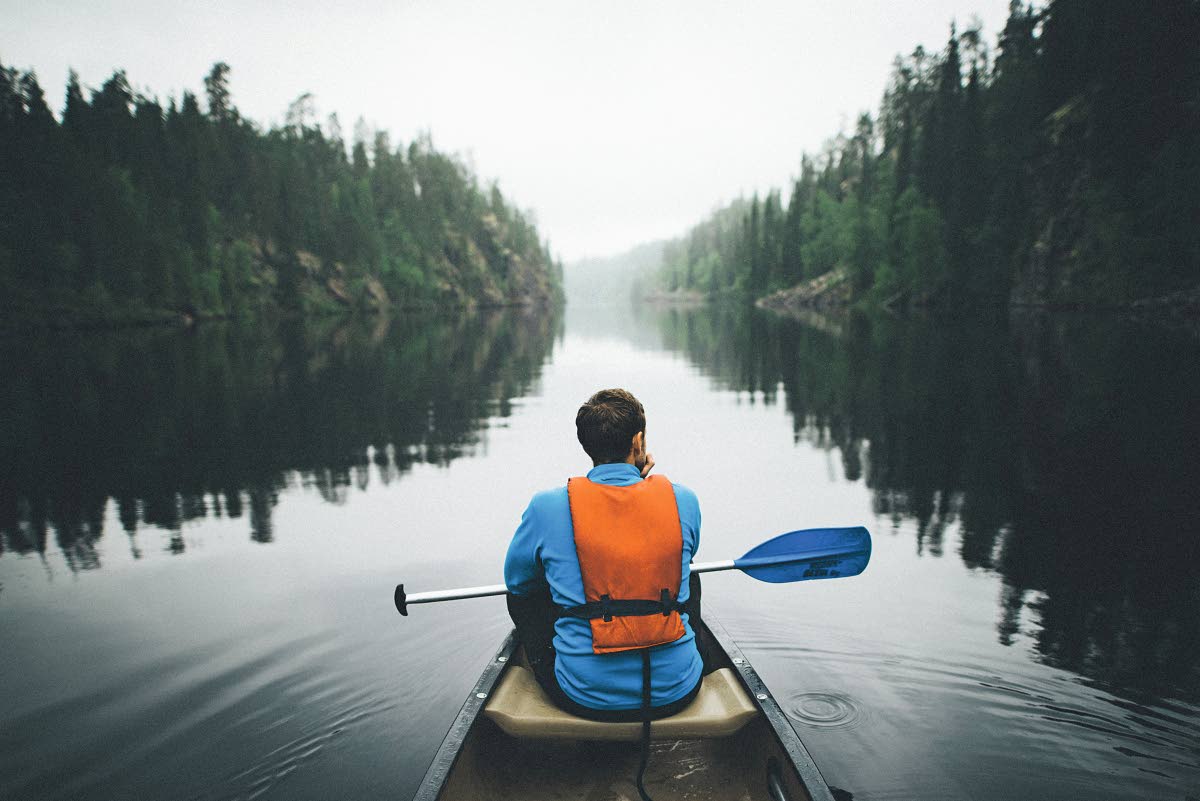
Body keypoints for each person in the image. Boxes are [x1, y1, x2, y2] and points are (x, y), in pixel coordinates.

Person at [503, 388, 704, 723]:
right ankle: (684, 654)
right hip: (677, 689)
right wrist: (640, 487)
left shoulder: (546, 507)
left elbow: (517, 582)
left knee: (528, 594)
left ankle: (570, 661)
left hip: (585, 695)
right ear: (638, 442)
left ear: (587, 445)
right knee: (688, 574)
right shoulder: (683, 500)